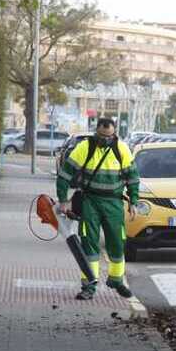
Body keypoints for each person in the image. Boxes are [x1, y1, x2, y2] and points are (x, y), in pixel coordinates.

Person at [56, 118, 140, 299]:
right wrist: (63, 200)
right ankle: (89, 287)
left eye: (109, 136)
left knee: (117, 243)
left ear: (115, 133)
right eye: (102, 136)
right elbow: (64, 175)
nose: (105, 140)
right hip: (90, 202)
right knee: (89, 244)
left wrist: (133, 201)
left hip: (114, 203)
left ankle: (116, 280)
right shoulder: (85, 148)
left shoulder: (122, 149)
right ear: (96, 132)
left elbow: (132, 177)